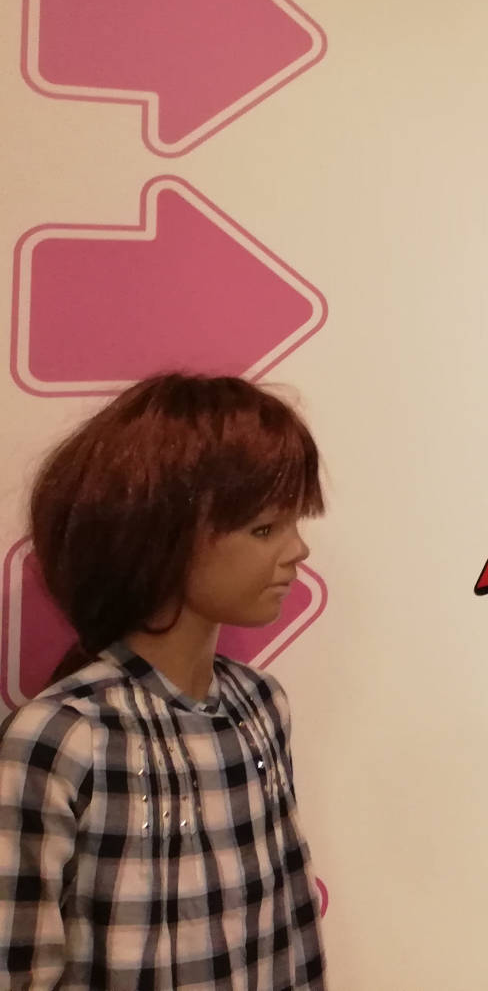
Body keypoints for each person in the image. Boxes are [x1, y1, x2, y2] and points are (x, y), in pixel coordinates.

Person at [0, 373, 329, 989]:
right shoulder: (64, 736)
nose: (298, 550)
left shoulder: (261, 706)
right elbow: (20, 964)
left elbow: (288, 920)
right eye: (264, 529)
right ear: (161, 538)